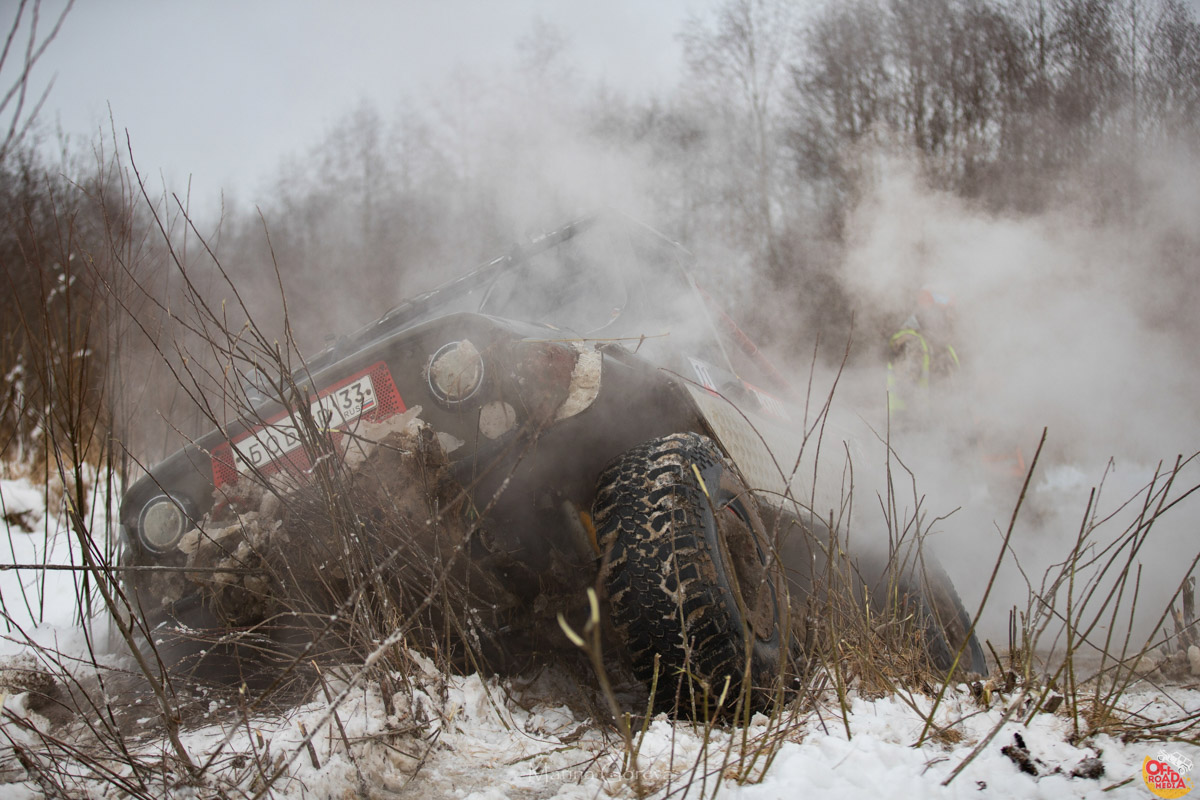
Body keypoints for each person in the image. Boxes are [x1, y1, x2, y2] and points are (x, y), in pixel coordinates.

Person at [886, 287, 959, 421]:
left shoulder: (943, 347)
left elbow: (951, 388)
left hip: (934, 424)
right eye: (947, 314)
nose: (951, 320)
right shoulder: (912, 342)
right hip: (911, 425)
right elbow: (905, 388)